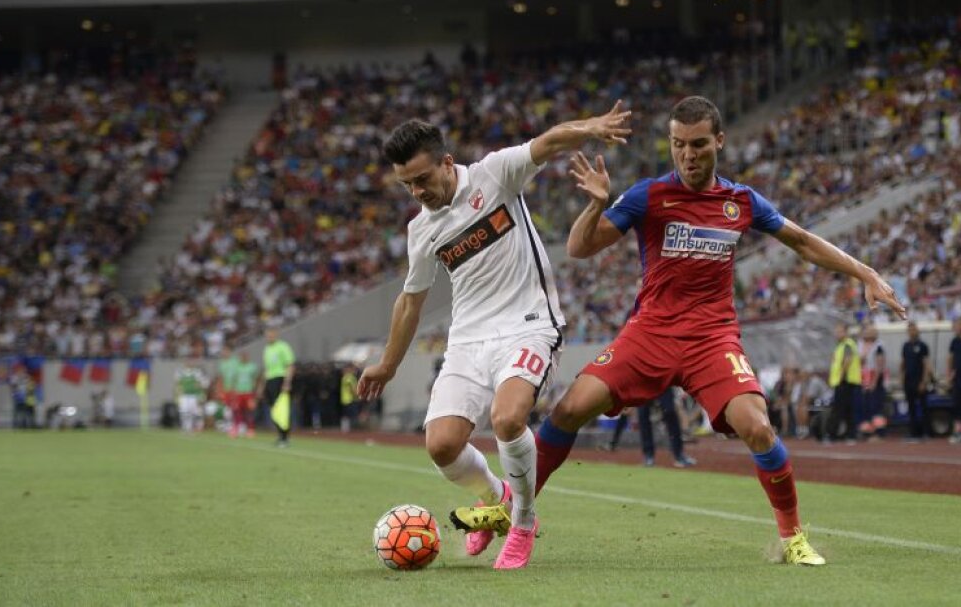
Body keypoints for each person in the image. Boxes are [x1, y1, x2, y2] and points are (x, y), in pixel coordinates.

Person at [457, 96, 906, 567]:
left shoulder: (741, 201)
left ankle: (792, 538)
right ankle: (514, 511)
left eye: (696, 144)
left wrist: (866, 273)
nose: (687, 155)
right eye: (678, 145)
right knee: (570, 409)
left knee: (758, 427)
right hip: (649, 333)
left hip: (712, 339)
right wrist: (595, 206)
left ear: (719, 142)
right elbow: (579, 248)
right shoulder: (648, 195)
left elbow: (802, 241)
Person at [358, 103, 632, 570]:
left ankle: (523, 521)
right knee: (441, 445)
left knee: (507, 419)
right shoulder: (421, 230)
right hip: (467, 339)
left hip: (528, 325)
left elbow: (547, 142)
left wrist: (591, 127)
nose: (417, 191)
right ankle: (496, 499)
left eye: (422, 178)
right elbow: (411, 300)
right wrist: (388, 362)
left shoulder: (494, 174)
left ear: (447, 162)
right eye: (407, 184)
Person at [826, 322, 860, 444]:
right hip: (843, 381)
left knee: (839, 409)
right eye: (837, 331)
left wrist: (840, 378)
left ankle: (833, 435)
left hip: (845, 381)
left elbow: (847, 361)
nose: (837, 333)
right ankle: (850, 435)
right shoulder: (841, 345)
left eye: (840, 331)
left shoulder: (847, 344)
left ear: (846, 332)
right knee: (846, 409)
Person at [261, 329, 296, 447]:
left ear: (276, 335)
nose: (269, 337)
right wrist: (262, 385)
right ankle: (281, 435)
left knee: (282, 409)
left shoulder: (283, 346)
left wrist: (287, 382)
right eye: (267, 335)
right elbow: (266, 368)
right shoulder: (267, 349)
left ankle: (285, 437)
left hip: (280, 379)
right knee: (273, 410)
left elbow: (290, 365)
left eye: (271, 335)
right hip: (270, 380)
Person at [899, 322, 932, 441]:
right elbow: (902, 363)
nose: (912, 332)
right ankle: (913, 432)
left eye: (914, 329)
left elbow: (926, 364)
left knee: (923, 407)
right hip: (909, 380)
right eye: (910, 330)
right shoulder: (905, 346)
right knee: (911, 407)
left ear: (917, 331)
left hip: (919, 380)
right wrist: (901, 378)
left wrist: (924, 381)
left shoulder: (923, 346)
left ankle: (926, 432)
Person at [858, 324, 888, 440]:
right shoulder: (861, 345)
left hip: (875, 380)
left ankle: (879, 433)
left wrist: (874, 382)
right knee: (865, 407)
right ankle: (867, 432)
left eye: (870, 331)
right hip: (864, 379)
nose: (866, 333)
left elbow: (880, 365)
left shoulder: (879, 346)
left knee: (876, 407)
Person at [339, 363, 358, 434]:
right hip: (349, 399)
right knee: (350, 416)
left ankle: (345, 429)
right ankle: (349, 431)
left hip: (344, 399)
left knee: (345, 415)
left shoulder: (344, 377)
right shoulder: (350, 377)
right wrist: (357, 395)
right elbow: (352, 389)